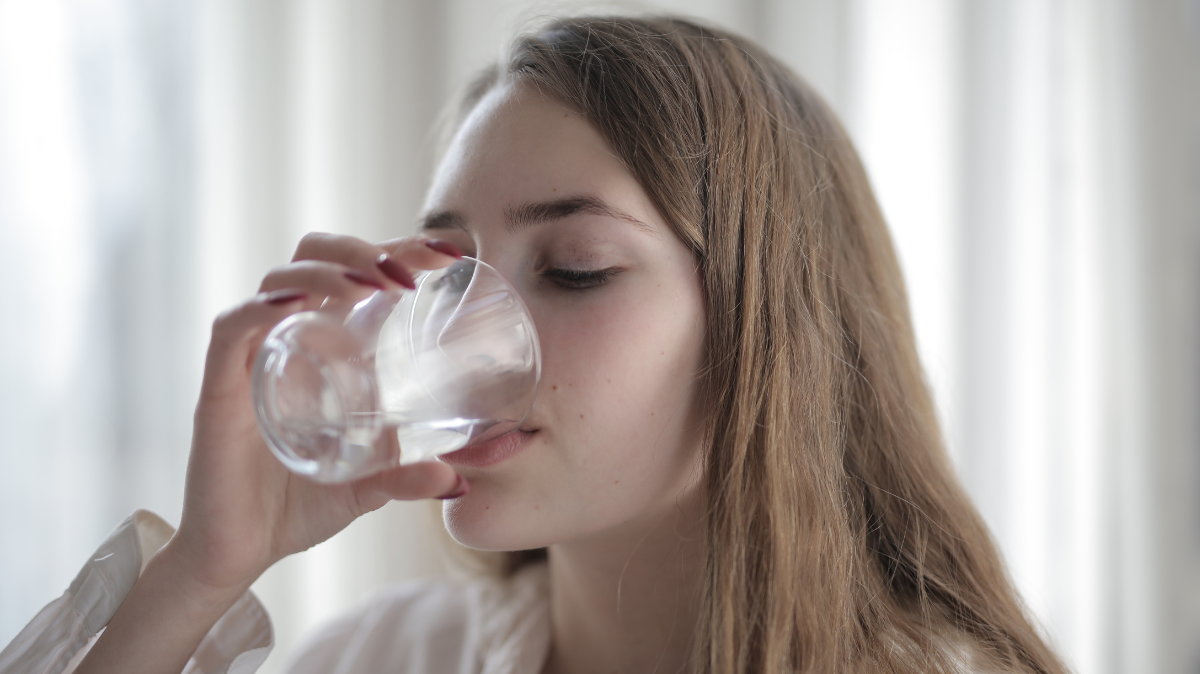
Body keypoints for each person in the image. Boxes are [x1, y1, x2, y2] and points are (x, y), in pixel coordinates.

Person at [2, 14, 1068, 674]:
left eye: (575, 270)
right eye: (442, 267)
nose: (463, 329)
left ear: (764, 329)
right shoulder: (392, 656)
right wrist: (200, 570)